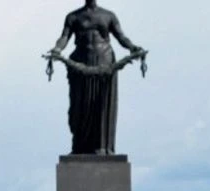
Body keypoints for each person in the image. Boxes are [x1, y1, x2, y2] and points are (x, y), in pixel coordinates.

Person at [49, 0, 144, 155]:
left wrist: (133, 47)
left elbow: (121, 37)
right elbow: (64, 37)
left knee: (102, 104)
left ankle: (101, 146)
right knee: (79, 106)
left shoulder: (109, 15)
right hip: (80, 62)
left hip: (104, 62)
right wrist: (57, 49)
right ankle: (79, 147)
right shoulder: (73, 17)